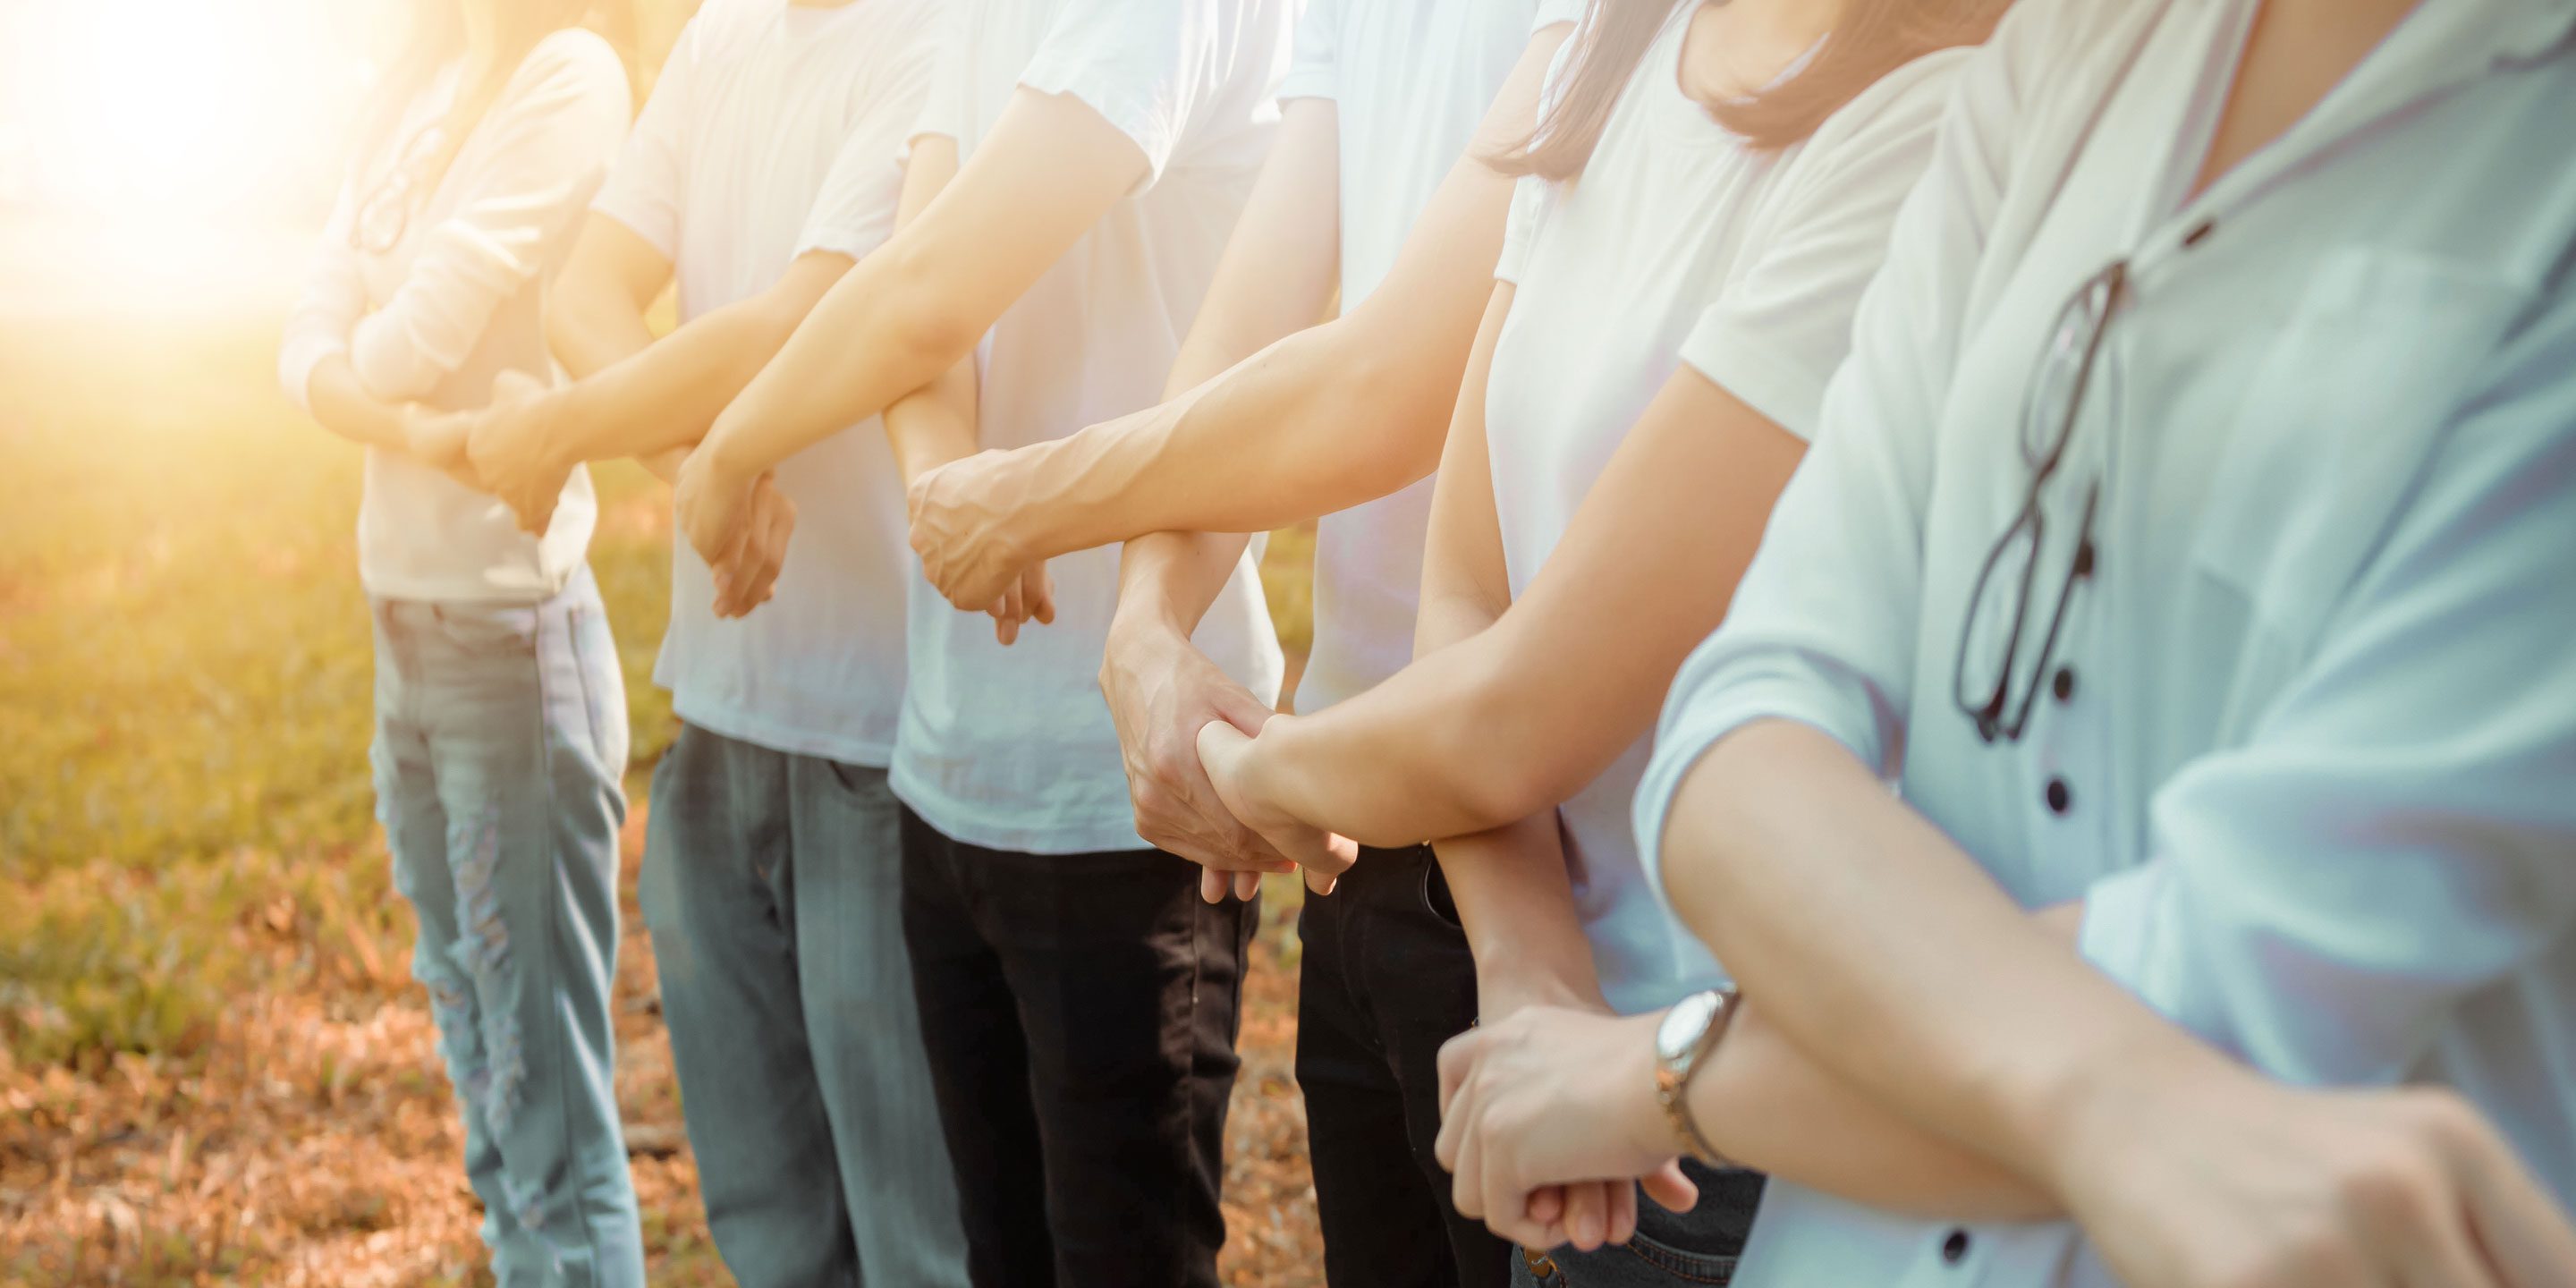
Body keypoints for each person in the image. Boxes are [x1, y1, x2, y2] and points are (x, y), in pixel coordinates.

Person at [1433, 1, 2576, 1286]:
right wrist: (2124, 1100)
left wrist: (1664, 1074)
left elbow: (2260, 1014)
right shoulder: (2065, 56)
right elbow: (1741, 737)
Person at [1183, 0, 2008, 1280]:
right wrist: (1530, 973)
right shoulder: (1608, 51)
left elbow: (1521, 703)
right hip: (1582, 1075)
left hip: (1764, 1113)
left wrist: (1250, 770)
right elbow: (1467, 587)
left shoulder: (1933, 111)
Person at [903, 2, 1580, 1282]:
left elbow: (1389, 386)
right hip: (1362, 826)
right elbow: (1245, 334)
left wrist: (1029, 497)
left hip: (1569, 864)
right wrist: (1149, 628)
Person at [666, 1, 1297, 1282]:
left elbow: (919, 297)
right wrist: (952, 490)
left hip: (1120, 783)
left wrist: (734, 445)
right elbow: (921, 285)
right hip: (948, 768)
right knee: (996, 1256)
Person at [453, 1, 968, 1284]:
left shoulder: (935, 40)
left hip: (876, 733)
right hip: (718, 720)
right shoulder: (720, 34)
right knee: (768, 1229)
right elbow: (586, 289)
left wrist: (566, 429)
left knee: (915, 1238)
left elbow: (807, 319)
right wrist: (707, 474)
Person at [272, 2, 638, 1283]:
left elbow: (399, 338)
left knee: (545, 1110)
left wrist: (370, 386)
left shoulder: (570, 75)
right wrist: (405, 422)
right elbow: (304, 332)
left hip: (508, 641)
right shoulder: (423, 76)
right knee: (482, 1072)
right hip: (405, 635)